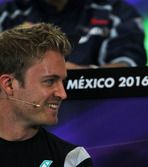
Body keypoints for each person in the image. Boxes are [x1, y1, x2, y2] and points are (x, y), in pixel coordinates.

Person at [0, 23, 92, 167]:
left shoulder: (72, 160)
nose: (63, 94)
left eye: (62, 82)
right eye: (49, 81)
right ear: (9, 85)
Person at [0, 0, 147, 69]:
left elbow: (129, 69)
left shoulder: (116, 12)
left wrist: (70, 71)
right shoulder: (8, 14)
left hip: (94, 112)